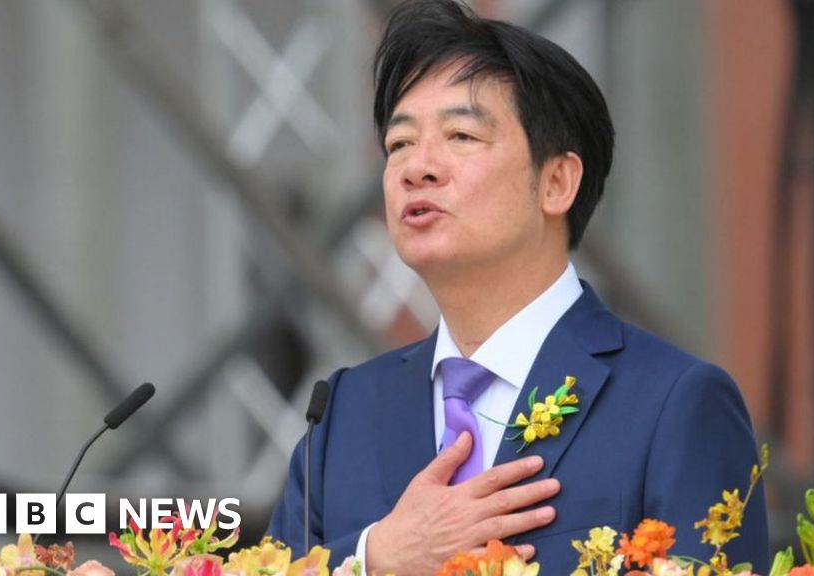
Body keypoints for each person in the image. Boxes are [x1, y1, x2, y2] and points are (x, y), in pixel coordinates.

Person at [268, 1, 768, 574]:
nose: (416, 168)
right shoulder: (342, 416)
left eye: (460, 135)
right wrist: (375, 557)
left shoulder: (672, 404)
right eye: (399, 144)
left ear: (556, 182)